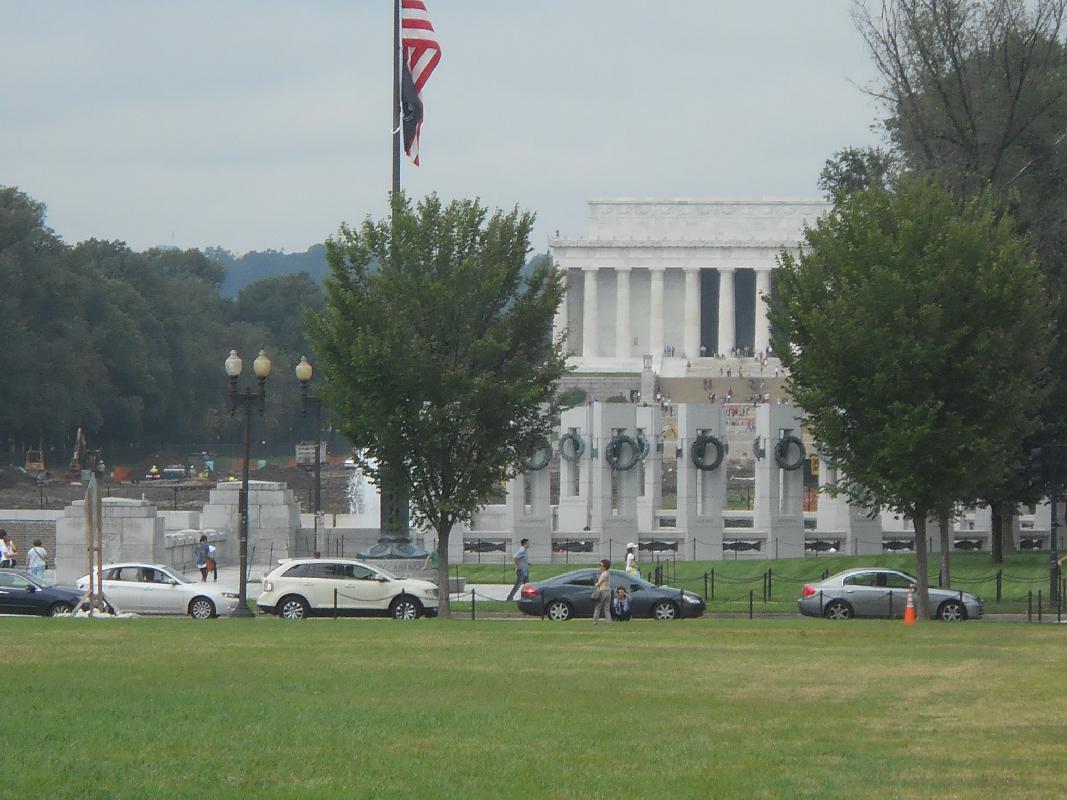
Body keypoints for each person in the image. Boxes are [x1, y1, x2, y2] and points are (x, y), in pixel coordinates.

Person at [592, 559, 612, 624]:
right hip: (608, 592)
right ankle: (609, 621)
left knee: (598, 607)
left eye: (601, 565)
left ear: (605, 567)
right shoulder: (607, 573)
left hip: (603, 592)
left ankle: (595, 621)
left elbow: (600, 582)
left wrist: (596, 584)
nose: (600, 567)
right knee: (606, 608)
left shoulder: (605, 573)